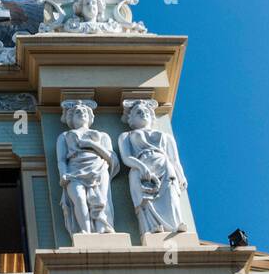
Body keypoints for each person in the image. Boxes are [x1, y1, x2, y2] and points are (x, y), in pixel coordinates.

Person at [118, 99, 189, 236]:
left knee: (170, 195)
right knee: (146, 199)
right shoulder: (126, 136)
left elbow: (174, 159)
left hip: (163, 165)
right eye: (138, 112)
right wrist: (141, 166)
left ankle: (175, 225)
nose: (143, 113)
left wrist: (181, 175)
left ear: (151, 115)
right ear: (131, 118)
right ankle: (152, 227)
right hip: (140, 168)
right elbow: (126, 158)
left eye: (145, 111)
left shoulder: (166, 136)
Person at [57, 100, 118, 236]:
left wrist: (91, 144)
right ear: (71, 117)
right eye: (78, 112)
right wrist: (63, 173)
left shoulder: (102, 136)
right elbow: (61, 159)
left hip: (98, 168)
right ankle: (86, 231)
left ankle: (102, 228)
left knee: (102, 200)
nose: (82, 113)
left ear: (91, 117)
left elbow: (111, 157)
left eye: (85, 111)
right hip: (74, 170)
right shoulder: (65, 136)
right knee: (79, 198)